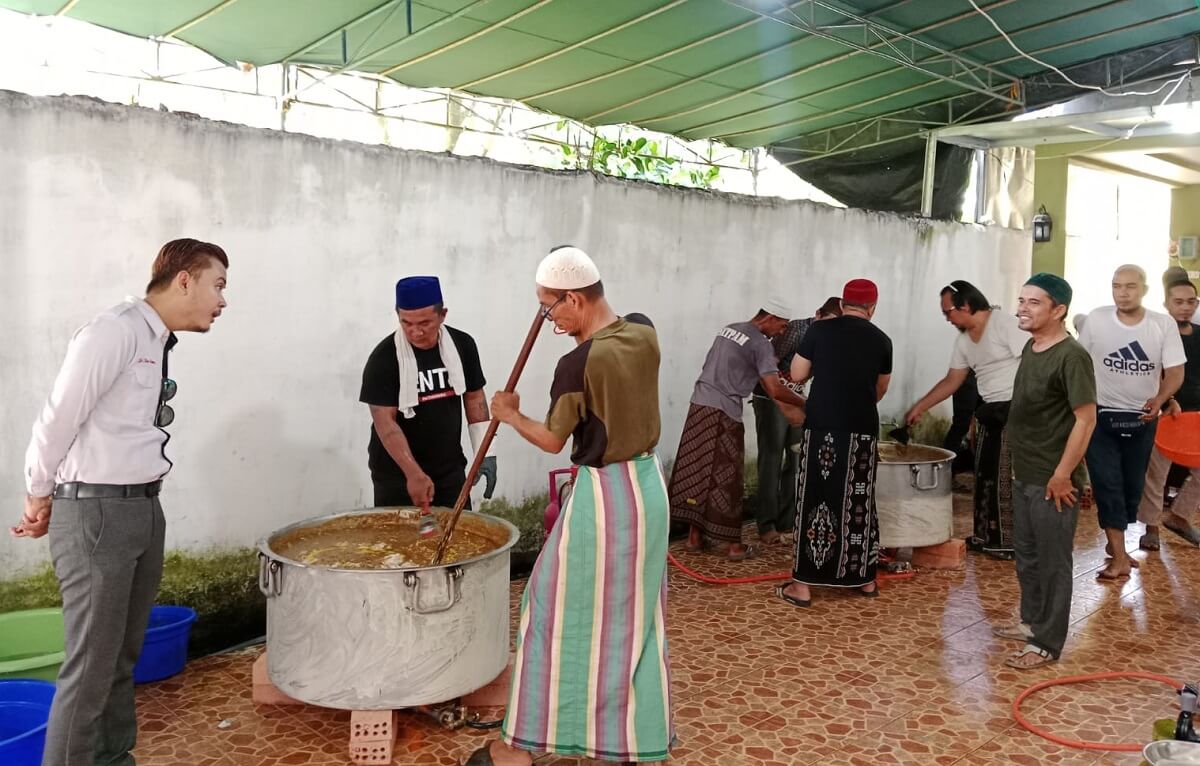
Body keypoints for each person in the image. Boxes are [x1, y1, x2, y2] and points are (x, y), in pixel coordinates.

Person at [12, 238, 229, 766]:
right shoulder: (115, 331)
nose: (222, 301)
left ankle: (112, 759)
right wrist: (40, 494)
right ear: (185, 280)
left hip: (140, 509)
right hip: (97, 514)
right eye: (218, 285)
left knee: (120, 659)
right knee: (89, 667)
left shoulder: (155, 340)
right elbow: (58, 417)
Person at [470, 246, 672, 766]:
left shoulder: (577, 362)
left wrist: (510, 414)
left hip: (605, 498)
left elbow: (551, 439)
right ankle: (633, 736)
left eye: (550, 307)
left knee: (552, 611)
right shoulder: (644, 330)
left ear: (575, 299)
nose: (549, 318)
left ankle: (525, 745)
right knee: (634, 617)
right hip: (649, 487)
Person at [996, 273, 1096, 670]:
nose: (1022, 308)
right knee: (1028, 556)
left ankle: (1047, 643)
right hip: (1026, 471)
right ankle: (1032, 623)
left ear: (1059, 310)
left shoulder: (1072, 356)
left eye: (1034, 302)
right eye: (1021, 300)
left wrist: (1063, 474)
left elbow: (1086, 420)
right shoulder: (1031, 346)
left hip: (1055, 479)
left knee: (1054, 563)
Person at [777, 279, 891, 608]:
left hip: (823, 427)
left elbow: (797, 375)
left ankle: (803, 587)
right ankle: (864, 580)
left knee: (816, 498)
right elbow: (880, 390)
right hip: (862, 431)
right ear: (872, 307)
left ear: (842, 304)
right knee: (859, 500)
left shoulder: (818, 332)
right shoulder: (882, 340)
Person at [669, 301, 807, 560]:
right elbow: (774, 388)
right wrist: (805, 404)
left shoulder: (729, 329)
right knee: (727, 478)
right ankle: (734, 546)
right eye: (782, 325)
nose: (782, 332)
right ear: (770, 318)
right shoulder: (761, 344)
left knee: (699, 472)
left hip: (699, 405)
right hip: (724, 412)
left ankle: (694, 538)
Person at [1078, 265, 1185, 580]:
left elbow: (1176, 372)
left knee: (1132, 488)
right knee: (1107, 483)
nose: (1122, 292)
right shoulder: (1097, 319)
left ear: (1145, 290)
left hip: (1143, 418)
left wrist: (1160, 398)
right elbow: (1080, 363)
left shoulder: (1161, 325)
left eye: (1130, 286)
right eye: (1116, 286)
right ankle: (1120, 556)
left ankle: (1117, 545)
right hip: (1100, 416)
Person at [905, 280, 1026, 559]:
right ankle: (984, 535)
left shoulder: (1005, 324)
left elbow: (1032, 361)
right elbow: (953, 380)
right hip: (987, 409)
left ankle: (1008, 541)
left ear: (967, 306)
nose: (947, 318)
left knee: (1004, 476)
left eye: (948, 312)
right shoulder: (963, 341)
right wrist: (920, 406)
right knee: (983, 473)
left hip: (1016, 408)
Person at [359, 276, 496, 510]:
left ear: (442, 315)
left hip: (449, 470)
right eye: (407, 323)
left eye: (424, 323)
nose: (416, 332)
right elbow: (385, 423)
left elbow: (474, 398)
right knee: (401, 544)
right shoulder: (384, 358)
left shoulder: (463, 346)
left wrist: (486, 452)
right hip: (396, 475)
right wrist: (413, 473)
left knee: (456, 540)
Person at [751, 296, 842, 546]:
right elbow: (767, 368)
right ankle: (766, 524)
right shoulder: (794, 330)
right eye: (830, 321)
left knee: (796, 458)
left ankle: (788, 520)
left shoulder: (830, 338)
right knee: (771, 459)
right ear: (818, 314)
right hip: (771, 399)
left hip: (798, 398)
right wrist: (782, 400)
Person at [1137, 278, 1200, 548]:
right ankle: (1151, 527)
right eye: (1178, 302)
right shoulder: (1156, 333)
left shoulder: (1199, 334)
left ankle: (1179, 516)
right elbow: (1152, 371)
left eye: (1191, 302)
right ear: (1166, 304)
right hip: (1166, 413)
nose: (1185, 307)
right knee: (1156, 474)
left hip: (1195, 417)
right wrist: (1166, 399)